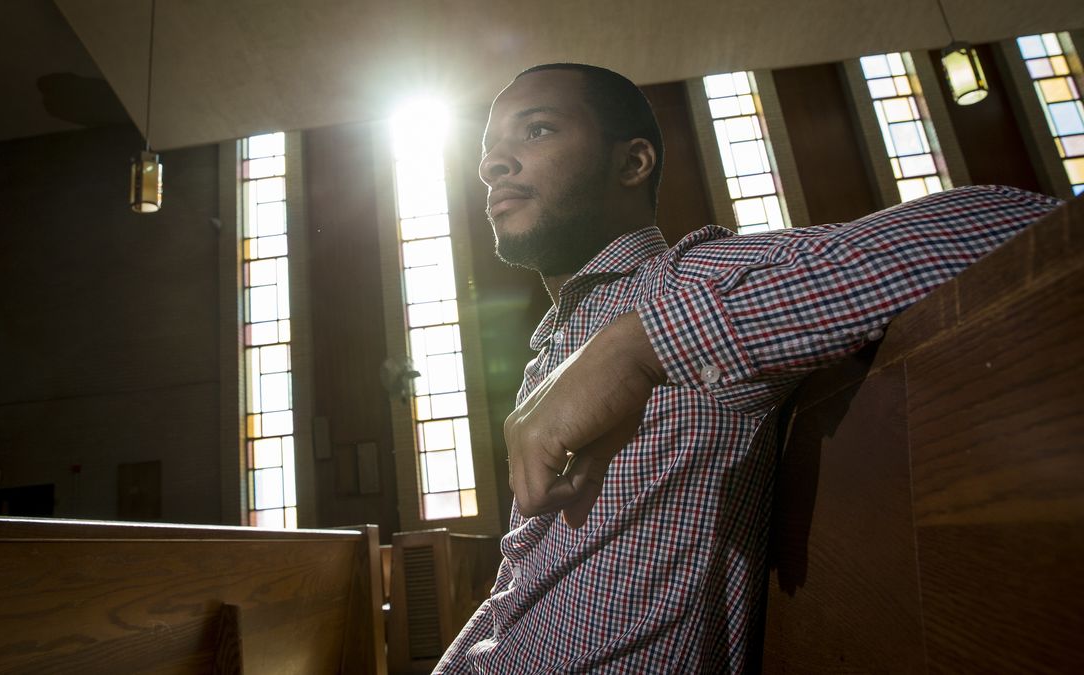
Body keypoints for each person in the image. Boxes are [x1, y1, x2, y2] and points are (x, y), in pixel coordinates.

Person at [434, 63, 1061, 673]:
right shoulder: (552, 345)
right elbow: (519, 587)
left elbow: (1015, 219)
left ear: (632, 162)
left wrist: (643, 344)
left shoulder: (688, 280)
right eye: (489, 148)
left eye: (536, 130)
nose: (491, 164)